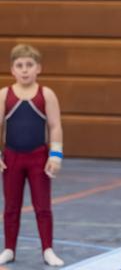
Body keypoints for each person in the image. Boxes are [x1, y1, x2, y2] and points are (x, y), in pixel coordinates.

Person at [0, 44, 64, 266]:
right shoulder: (3, 95)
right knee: (10, 207)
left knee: (43, 207)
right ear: (12, 70)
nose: (25, 70)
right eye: (20, 65)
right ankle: (9, 248)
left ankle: (47, 249)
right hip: (11, 158)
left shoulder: (46, 94)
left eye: (29, 65)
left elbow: (55, 126)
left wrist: (55, 155)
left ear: (39, 68)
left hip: (39, 158)